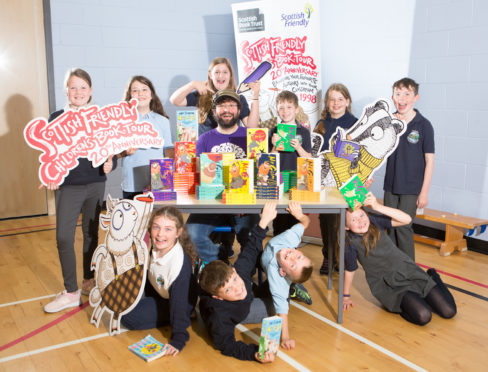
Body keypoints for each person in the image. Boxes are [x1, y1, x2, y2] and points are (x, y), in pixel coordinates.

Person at [43, 68, 117, 313]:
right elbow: (47, 154)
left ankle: (88, 280)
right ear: (66, 90)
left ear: (91, 90)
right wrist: (50, 174)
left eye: (83, 87)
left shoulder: (101, 117)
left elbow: (111, 151)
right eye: (73, 87)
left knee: (91, 234)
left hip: (96, 183)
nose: (78, 92)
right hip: (68, 186)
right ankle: (70, 291)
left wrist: (111, 162)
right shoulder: (56, 117)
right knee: (63, 237)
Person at [341, 192, 456, 325]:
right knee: (424, 316)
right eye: (354, 220)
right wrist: (345, 296)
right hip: (387, 285)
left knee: (449, 311)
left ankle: (433, 277)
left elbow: (407, 219)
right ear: (346, 226)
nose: (360, 220)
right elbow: (350, 270)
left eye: (361, 215)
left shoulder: (375, 222)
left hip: (407, 271)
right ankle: (405, 301)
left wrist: (377, 206)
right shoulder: (350, 243)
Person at [186, 89, 260, 263]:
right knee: (191, 233)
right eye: (222, 105)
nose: (227, 109)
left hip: (243, 206)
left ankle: (243, 274)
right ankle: (219, 265)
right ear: (214, 111)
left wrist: (244, 200)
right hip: (212, 204)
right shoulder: (203, 139)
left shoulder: (251, 138)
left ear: (239, 110)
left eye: (231, 105)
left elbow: (258, 176)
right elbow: (196, 174)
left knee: (253, 240)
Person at [199, 202, 277, 363]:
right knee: (275, 306)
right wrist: (254, 353)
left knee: (279, 282)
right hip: (239, 310)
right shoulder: (220, 318)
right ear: (219, 298)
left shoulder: (238, 272)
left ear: (233, 271)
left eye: (234, 280)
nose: (237, 288)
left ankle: (289, 287)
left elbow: (251, 248)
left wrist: (264, 221)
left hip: (249, 293)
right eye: (228, 290)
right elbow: (227, 345)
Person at [121, 206, 198, 356]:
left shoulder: (179, 266)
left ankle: (187, 314)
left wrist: (178, 339)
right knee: (123, 298)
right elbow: (152, 275)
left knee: (127, 316)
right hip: (159, 292)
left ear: (178, 232)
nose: (160, 234)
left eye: (168, 229)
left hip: (176, 302)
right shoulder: (156, 247)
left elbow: (179, 302)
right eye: (156, 227)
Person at [383, 77, 434, 261]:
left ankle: (409, 273)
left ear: (416, 98)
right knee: (390, 227)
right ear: (392, 97)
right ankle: (392, 270)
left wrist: (424, 192)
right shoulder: (389, 123)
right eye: (398, 94)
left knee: (403, 227)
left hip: (411, 189)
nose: (402, 98)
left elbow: (430, 161)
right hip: (390, 186)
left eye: (407, 94)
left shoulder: (424, 125)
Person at [313, 83, 358, 275]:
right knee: (327, 220)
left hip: (350, 179)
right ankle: (328, 257)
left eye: (340, 99)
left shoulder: (356, 123)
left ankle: (344, 258)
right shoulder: (321, 124)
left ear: (347, 101)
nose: (336, 103)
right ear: (327, 103)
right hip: (326, 180)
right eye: (332, 99)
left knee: (348, 220)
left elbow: (359, 156)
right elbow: (314, 153)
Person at [261, 201, 314, 350]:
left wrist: (285, 338)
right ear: (300, 251)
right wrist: (300, 215)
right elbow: (306, 222)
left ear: (283, 272)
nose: (292, 257)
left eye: (292, 265)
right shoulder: (291, 239)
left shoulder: (278, 279)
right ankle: (295, 286)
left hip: (265, 264)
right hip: (267, 250)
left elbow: (282, 311)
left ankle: (292, 288)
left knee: (274, 300)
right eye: (298, 257)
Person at [169, 57, 260, 136]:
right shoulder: (202, 94)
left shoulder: (238, 99)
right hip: (206, 152)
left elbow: (251, 126)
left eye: (225, 72)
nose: (221, 76)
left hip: (230, 149)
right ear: (210, 75)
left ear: (230, 75)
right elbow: (175, 100)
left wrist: (255, 96)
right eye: (217, 72)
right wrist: (192, 84)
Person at [119, 76, 174, 199]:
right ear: (129, 96)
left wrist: (162, 178)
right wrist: (124, 152)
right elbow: (115, 152)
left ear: (151, 94)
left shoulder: (163, 121)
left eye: (144, 89)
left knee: (155, 218)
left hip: (157, 183)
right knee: (134, 218)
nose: (140, 94)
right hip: (131, 185)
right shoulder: (123, 121)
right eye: (135, 90)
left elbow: (168, 150)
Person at [269, 91, 312, 235]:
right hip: (279, 182)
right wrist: (274, 146)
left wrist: (298, 147)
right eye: (281, 108)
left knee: (294, 221)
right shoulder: (273, 131)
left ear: (296, 109)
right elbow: (268, 162)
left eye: (289, 107)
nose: (285, 111)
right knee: (279, 222)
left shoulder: (304, 132)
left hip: (297, 182)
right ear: (277, 110)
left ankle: (292, 250)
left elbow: (308, 159)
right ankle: (278, 253)